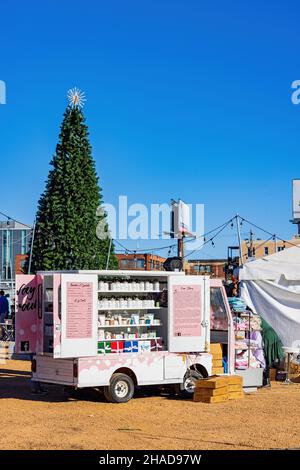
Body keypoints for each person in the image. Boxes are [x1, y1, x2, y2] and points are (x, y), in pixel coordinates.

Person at [260, 317, 285, 387]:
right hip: (271, 337)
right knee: (269, 359)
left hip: (268, 338)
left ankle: (267, 381)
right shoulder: (257, 317)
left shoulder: (253, 317)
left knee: (266, 359)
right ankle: (268, 381)